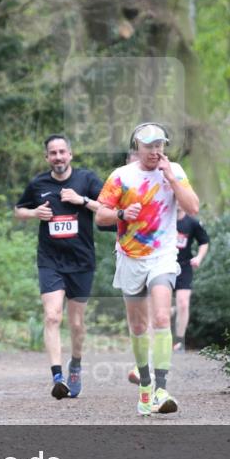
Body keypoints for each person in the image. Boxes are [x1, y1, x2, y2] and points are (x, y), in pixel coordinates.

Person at [96, 123, 200, 415]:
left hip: (163, 257)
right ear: (137, 147)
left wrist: (171, 179)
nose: (155, 152)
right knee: (139, 327)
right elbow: (100, 216)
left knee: (160, 318)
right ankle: (144, 385)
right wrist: (120, 214)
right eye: (149, 146)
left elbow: (193, 208)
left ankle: (162, 390)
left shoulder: (174, 171)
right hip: (130, 257)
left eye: (160, 146)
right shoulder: (121, 176)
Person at [15, 135, 104, 400]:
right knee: (53, 316)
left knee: (77, 324)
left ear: (70, 155)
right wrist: (34, 214)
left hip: (81, 261)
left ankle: (75, 364)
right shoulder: (38, 183)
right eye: (52, 153)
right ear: (47, 158)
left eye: (62, 152)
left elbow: (109, 208)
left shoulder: (87, 180)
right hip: (50, 260)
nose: (58, 157)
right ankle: (57, 377)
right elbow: (19, 209)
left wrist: (82, 200)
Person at [173, 208, 210, 352]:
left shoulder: (192, 223)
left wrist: (199, 258)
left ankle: (179, 342)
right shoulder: (162, 219)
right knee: (162, 308)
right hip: (162, 266)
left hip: (184, 267)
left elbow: (204, 241)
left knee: (182, 303)